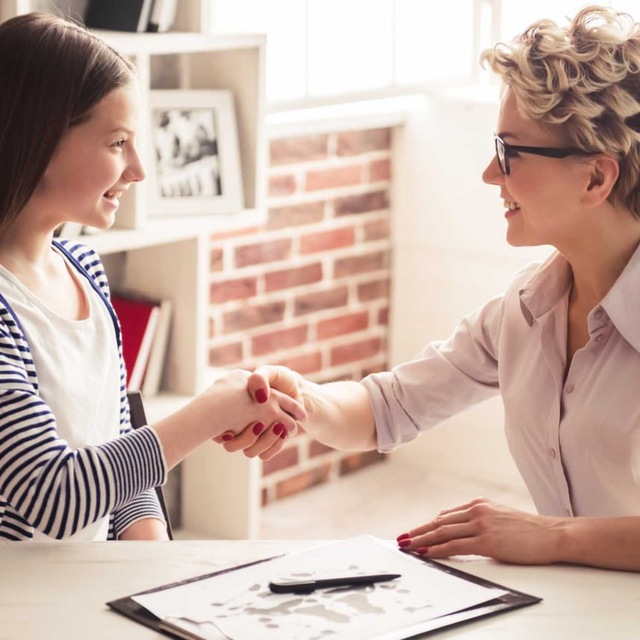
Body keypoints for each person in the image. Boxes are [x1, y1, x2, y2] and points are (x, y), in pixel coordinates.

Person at [220, 6, 640, 571]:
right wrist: (300, 400)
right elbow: (389, 406)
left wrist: (554, 537)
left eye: (510, 153)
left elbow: (554, 538)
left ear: (596, 177)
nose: (491, 175)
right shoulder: (525, 311)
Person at [0, 13, 304, 541]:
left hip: (85, 596)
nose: (140, 169)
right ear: (40, 138)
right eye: (119, 143)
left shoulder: (84, 272)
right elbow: (52, 498)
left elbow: (120, 454)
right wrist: (205, 415)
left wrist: (152, 575)